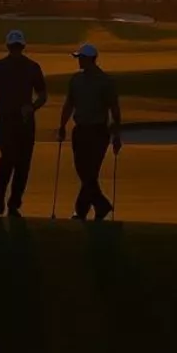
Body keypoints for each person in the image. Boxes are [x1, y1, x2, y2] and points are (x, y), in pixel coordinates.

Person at [0, 29, 48, 216]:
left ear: (22, 47)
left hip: (25, 121)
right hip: (5, 120)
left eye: (18, 47)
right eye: (14, 47)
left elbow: (43, 95)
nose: (16, 50)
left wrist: (32, 107)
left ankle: (14, 202)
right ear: (9, 47)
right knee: (9, 157)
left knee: (23, 163)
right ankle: (0, 190)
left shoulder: (33, 67)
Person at [57, 43, 121, 220]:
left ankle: (83, 210)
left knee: (90, 172)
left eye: (81, 58)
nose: (79, 61)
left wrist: (117, 134)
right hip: (80, 131)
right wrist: (62, 126)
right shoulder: (76, 80)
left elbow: (114, 109)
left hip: (98, 131)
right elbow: (69, 104)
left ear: (89, 59)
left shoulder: (105, 81)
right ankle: (100, 206)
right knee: (83, 170)